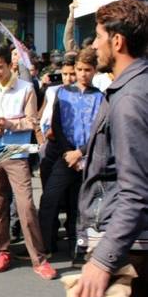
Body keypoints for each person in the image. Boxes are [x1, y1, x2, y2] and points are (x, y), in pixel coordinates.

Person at [73, 0, 148, 297]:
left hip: (130, 247)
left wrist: (103, 259)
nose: (94, 45)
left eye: (98, 37)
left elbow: (136, 192)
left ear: (117, 41)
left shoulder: (130, 98)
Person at [0, 44, 57, 280]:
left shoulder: (26, 88)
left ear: (10, 64)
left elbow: (32, 121)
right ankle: (3, 251)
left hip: (17, 155)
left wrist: (10, 125)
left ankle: (39, 258)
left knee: (25, 206)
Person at [38, 48, 103, 263]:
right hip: (65, 158)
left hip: (88, 158)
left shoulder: (100, 97)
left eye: (87, 70)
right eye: (79, 69)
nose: (83, 74)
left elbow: (99, 131)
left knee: (80, 207)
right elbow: (56, 124)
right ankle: (44, 248)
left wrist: (81, 153)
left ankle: (78, 251)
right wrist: (69, 153)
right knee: (49, 199)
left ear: (94, 71)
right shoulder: (63, 93)